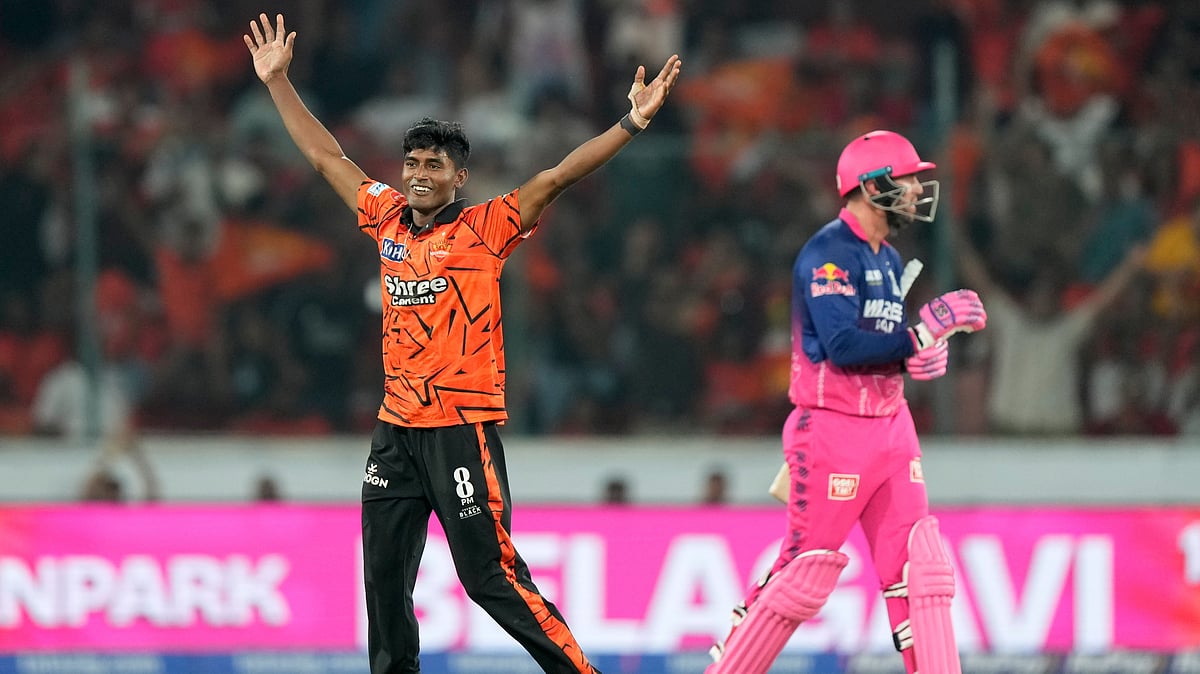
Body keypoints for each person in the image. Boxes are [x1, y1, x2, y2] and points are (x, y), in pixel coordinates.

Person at [244, 13, 681, 674]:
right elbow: (324, 156)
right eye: (412, 162)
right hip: (396, 431)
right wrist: (277, 82)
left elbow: (558, 176)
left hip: (460, 429)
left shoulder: (487, 227)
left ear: (458, 178)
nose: (419, 174)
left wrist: (631, 124)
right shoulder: (384, 217)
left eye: (434, 165)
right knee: (385, 584)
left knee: (490, 579)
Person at [706, 130, 987, 674]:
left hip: (891, 427)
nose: (915, 190)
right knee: (803, 575)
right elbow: (842, 346)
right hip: (835, 431)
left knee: (921, 570)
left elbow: (880, 342)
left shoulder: (885, 256)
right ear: (872, 185)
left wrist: (911, 356)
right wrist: (918, 338)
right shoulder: (828, 254)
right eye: (905, 180)